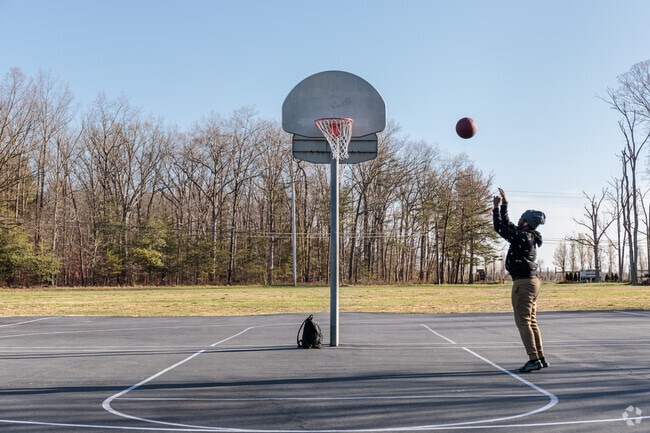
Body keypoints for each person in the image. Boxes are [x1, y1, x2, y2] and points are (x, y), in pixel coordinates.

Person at [492, 188, 549, 373]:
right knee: (531, 321)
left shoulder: (523, 237)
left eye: (522, 218)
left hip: (523, 283)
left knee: (523, 321)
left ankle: (533, 359)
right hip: (532, 282)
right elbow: (508, 224)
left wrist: (495, 209)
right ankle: (540, 357)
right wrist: (504, 205)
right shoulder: (528, 236)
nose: (519, 220)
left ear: (526, 223)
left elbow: (500, 227)